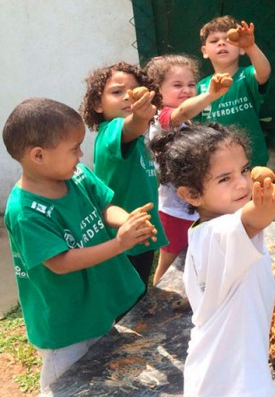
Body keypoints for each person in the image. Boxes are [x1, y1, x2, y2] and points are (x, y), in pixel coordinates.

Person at [3, 98, 155, 394]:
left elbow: (104, 206)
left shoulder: (77, 176)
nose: (81, 154)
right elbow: (61, 262)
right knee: (68, 386)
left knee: (101, 372)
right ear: (38, 155)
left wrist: (125, 222)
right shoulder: (26, 211)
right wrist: (120, 244)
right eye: (74, 148)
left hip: (95, 307)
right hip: (65, 325)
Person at [149, 122, 275, 397]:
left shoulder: (210, 233)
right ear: (191, 194)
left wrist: (270, 276)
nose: (242, 183)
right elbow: (257, 216)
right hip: (233, 384)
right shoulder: (221, 232)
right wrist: (268, 197)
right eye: (225, 178)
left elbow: (227, 289)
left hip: (219, 376)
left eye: (244, 169)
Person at [80, 61, 169, 287]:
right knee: (127, 297)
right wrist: (140, 117)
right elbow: (130, 127)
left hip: (138, 229)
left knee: (138, 288)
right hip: (122, 232)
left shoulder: (139, 138)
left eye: (133, 90)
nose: (128, 97)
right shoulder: (110, 132)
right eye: (117, 92)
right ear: (97, 105)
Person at [145, 54, 230, 285]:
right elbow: (181, 112)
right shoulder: (161, 117)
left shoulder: (187, 123)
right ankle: (157, 301)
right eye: (177, 85)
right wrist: (210, 95)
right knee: (169, 262)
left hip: (192, 204)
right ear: (157, 91)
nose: (186, 90)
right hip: (174, 210)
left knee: (196, 254)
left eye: (191, 84)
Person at [195, 16, 272, 166]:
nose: (221, 43)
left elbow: (264, 72)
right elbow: (196, 126)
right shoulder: (200, 87)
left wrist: (251, 46)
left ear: (241, 48)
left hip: (252, 160)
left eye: (228, 39)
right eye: (214, 41)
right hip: (215, 162)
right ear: (205, 51)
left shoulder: (247, 75)